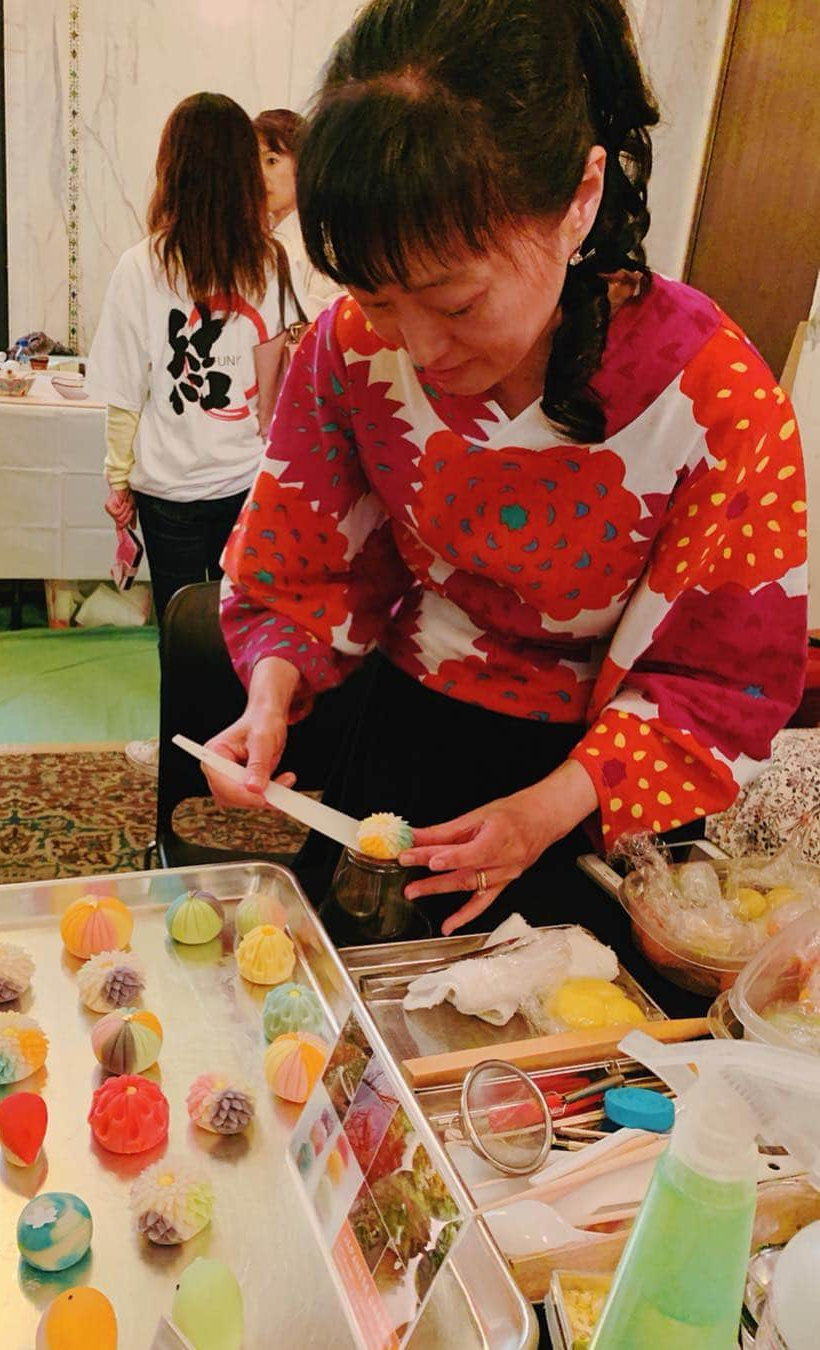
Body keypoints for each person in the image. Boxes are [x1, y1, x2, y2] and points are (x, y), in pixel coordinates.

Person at [204, 0, 807, 945]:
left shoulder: (714, 398)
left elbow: (721, 680)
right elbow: (303, 562)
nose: (416, 345)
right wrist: (270, 693)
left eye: (455, 300)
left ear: (580, 197)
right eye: (374, 295)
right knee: (360, 1032)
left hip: (600, 790)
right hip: (410, 736)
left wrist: (549, 809)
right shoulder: (352, 348)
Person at [90, 92, 294, 775]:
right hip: (248, 481)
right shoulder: (269, 261)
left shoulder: (139, 265)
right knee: (248, 624)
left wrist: (116, 482)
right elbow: (273, 385)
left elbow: (122, 393)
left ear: (170, 167)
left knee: (178, 631)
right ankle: (245, 746)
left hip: (169, 488)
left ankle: (183, 760)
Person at [253, 108, 344, 320]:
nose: (260, 175)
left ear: (304, 162)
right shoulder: (255, 236)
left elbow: (333, 306)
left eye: (271, 161)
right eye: (252, 165)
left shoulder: (323, 234)